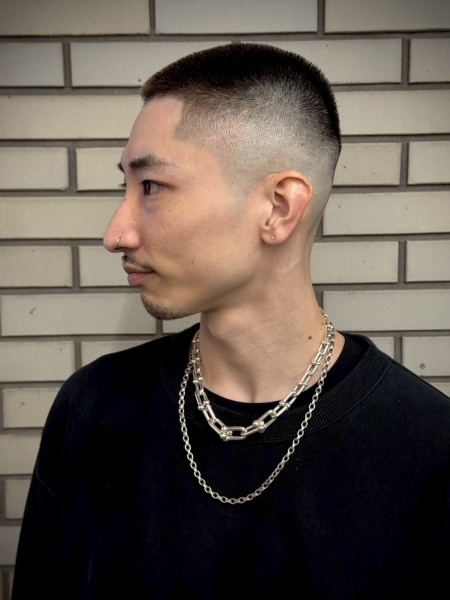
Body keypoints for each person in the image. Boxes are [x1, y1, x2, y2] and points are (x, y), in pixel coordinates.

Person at [12, 43, 450, 599]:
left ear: (279, 208)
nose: (115, 233)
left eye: (151, 187)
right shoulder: (93, 409)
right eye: (126, 187)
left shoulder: (427, 446)